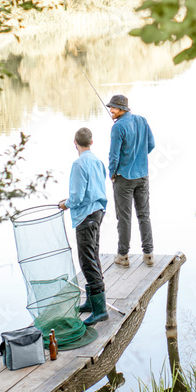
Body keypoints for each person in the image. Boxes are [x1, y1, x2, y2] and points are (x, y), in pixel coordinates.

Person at [58, 127, 109, 325]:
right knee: (93, 255)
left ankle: (100, 310)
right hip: (98, 212)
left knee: (86, 260)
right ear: (91, 142)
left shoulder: (79, 164)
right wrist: (71, 199)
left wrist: (66, 204)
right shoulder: (98, 161)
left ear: (75, 143)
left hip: (85, 216)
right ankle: (91, 302)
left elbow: (78, 197)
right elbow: (95, 188)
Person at [106, 94, 156, 268]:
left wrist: (112, 173)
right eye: (110, 107)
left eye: (113, 107)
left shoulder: (118, 127)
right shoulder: (142, 121)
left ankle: (123, 256)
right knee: (144, 215)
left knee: (124, 218)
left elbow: (114, 155)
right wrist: (139, 157)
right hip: (142, 175)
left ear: (123, 109)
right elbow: (151, 145)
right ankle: (148, 254)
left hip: (124, 178)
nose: (111, 110)